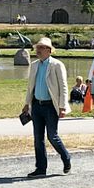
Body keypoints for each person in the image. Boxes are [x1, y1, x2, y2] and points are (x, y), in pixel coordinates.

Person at [22, 37, 71, 177]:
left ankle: (66, 157)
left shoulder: (57, 65)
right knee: (38, 138)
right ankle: (41, 168)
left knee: (52, 136)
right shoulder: (35, 64)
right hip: (37, 105)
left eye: (41, 48)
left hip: (51, 106)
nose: (38, 50)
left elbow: (63, 87)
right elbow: (30, 86)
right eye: (37, 47)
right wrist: (26, 104)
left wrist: (62, 106)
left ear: (49, 50)